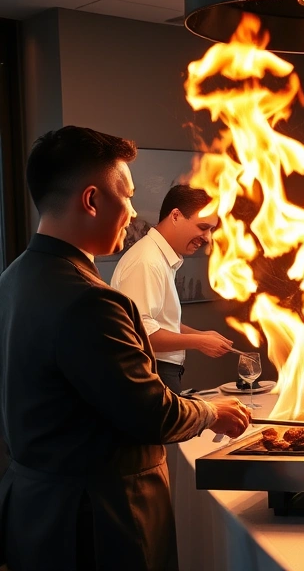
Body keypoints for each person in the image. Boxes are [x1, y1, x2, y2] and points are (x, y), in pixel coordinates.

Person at [0, 126, 251, 569]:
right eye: (128, 195)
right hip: (99, 520)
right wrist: (212, 412)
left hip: (36, 513)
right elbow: (152, 413)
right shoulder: (89, 300)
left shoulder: (13, 279)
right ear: (92, 200)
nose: (134, 212)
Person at [110, 184, 234, 394]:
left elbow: (157, 321)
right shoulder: (147, 261)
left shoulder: (158, 257)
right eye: (203, 227)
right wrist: (200, 342)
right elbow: (141, 334)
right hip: (151, 372)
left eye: (211, 230)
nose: (207, 238)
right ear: (175, 215)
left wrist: (203, 335)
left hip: (161, 371)